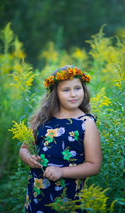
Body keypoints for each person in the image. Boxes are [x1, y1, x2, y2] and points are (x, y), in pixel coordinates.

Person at [19, 65, 102, 213]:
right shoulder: (42, 120)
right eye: (66, 90)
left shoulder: (86, 123)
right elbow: (24, 149)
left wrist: (61, 172)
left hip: (67, 198)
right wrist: (29, 158)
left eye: (77, 88)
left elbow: (94, 165)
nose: (73, 94)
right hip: (37, 196)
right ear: (55, 93)